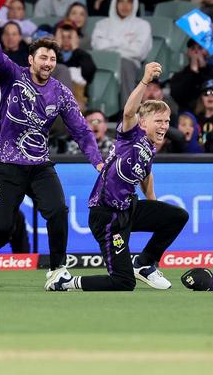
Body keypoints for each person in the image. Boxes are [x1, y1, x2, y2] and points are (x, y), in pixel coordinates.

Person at [0, 0, 103, 291]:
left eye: (52, 59)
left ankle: (57, 270)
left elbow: (81, 129)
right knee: (1, 227)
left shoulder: (61, 92)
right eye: (43, 58)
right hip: (6, 165)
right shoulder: (13, 76)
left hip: (39, 166)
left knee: (58, 211)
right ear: (31, 59)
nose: (48, 63)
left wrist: (97, 161)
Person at [47, 62, 189, 292]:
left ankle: (144, 264)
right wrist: (145, 81)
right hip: (106, 217)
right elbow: (128, 111)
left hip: (127, 209)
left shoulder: (150, 147)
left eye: (167, 121)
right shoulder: (130, 135)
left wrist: (153, 205)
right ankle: (65, 283)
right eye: (159, 121)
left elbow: (146, 175)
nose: (164, 126)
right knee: (123, 282)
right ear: (143, 123)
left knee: (177, 216)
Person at [91, 0, 152, 106]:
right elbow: (97, 46)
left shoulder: (142, 25)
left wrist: (110, 43)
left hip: (129, 64)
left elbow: (137, 51)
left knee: (124, 63)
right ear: (115, 2)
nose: (125, 5)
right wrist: (125, 43)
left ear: (134, 4)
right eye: (121, 1)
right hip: (103, 63)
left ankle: (127, 111)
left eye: (129, 2)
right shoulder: (102, 24)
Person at [169, 39, 213, 113]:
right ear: (188, 52)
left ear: (207, 51)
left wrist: (203, 69)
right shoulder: (179, 75)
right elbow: (177, 95)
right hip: (187, 115)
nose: (196, 52)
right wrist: (193, 73)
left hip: (212, 114)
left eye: (200, 48)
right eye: (193, 48)